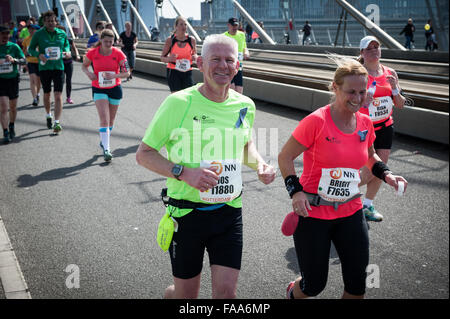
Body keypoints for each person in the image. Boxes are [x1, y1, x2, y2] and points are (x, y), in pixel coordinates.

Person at [136, 34, 276, 299]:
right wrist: (183, 173)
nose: (223, 66)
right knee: (186, 297)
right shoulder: (178, 103)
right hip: (186, 214)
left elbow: (245, 146)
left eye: (229, 60)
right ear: (200, 63)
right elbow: (144, 154)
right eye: (215, 59)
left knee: (226, 295)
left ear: (238, 65)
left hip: (229, 212)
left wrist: (260, 165)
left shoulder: (245, 105)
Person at [278, 56, 408, 299]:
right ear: (335, 87)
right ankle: (293, 291)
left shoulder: (365, 122)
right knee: (313, 285)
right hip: (313, 213)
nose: (358, 99)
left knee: (358, 285)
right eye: (351, 92)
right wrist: (295, 192)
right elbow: (285, 157)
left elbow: (371, 157)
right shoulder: (316, 121)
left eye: (361, 92)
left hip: (351, 211)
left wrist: (388, 175)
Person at [357, 36, 406, 222]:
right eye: (369, 48)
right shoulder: (359, 74)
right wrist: (364, 103)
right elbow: (349, 103)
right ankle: (339, 190)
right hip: (363, 128)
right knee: (367, 170)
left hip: (385, 126)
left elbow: (400, 104)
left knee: (381, 169)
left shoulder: (390, 72)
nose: (374, 50)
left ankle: (367, 205)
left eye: (376, 47)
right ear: (362, 53)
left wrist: (394, 89)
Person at [82, 29, 130, 162]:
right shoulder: (93, 53)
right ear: (101, 41)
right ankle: (107, 149)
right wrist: (89, 73)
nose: (108, 44)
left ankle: (104, 140)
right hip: (99, 88)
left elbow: (127, 72)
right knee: (104, 118)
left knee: (111, 120)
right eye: (106, 41)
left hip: (115, 88)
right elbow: (84, 66)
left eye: (111, 41)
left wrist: (114, 75)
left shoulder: (118, 53)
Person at [28, 10, 71, 134]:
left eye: (53, 21)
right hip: (45, 68)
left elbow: (66, 45)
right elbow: (31, 49)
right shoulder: (39, 34)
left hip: (58, 67)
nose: (51, 23)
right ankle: (48, 115)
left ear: (56, 21)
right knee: (47, 94)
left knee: (58, 95)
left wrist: (67, 51)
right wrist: (38, 54)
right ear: (44, 22)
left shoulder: (62, 33)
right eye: (48, 21)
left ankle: (57, 122)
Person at [0, 26, 26, 144]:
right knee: (4, 108)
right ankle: (5, 132)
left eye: (7, 34)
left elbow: (24, 60)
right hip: (1, 81)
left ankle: (11, 125)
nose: (5, 36)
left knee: (13, 107)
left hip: (13, 80)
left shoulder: (14, 46)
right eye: (2, 34)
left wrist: (14, 60)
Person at [160, 16, 197, 93]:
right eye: (181, 24)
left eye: (185, 24)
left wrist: (195, 57)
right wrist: (169, 59)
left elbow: (195, 54)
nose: (184, 27)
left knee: (188, 95)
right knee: (176, 96)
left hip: (187, 72)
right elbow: (162, 58)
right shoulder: (170, 40)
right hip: (173, 71)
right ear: (176, 27)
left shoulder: (191, 40)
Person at [224, 17, 249, 94]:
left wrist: (246, 52)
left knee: (239, 90)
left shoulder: (241, 35)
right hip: (228, 67)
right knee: (231, 88)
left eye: (236, 25)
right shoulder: (223, 36)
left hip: (238, 66)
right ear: (228, 25)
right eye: (233, 25)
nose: (235, 27)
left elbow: (244, 47)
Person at [56, 25, 79, 104]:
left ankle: (68, 97)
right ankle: (59, 97)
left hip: (69, 62)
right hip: (60, 63)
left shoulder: (69, 40)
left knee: (68, 80)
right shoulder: (56, 41)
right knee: (60, 81)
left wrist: (77, 55)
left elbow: (74, 48)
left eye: (62, 31)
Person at [21, 24, 41, 106]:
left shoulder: (40, 39)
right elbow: (23, 52)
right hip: (30, 62)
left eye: (33, 29)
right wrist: (25, 58)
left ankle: (38, 93)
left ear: (36, 30)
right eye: (29, 29)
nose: (31, 30)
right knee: (32, 79)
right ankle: (35, 98)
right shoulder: (26, 40)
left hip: (39, 62)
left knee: (38, 81)